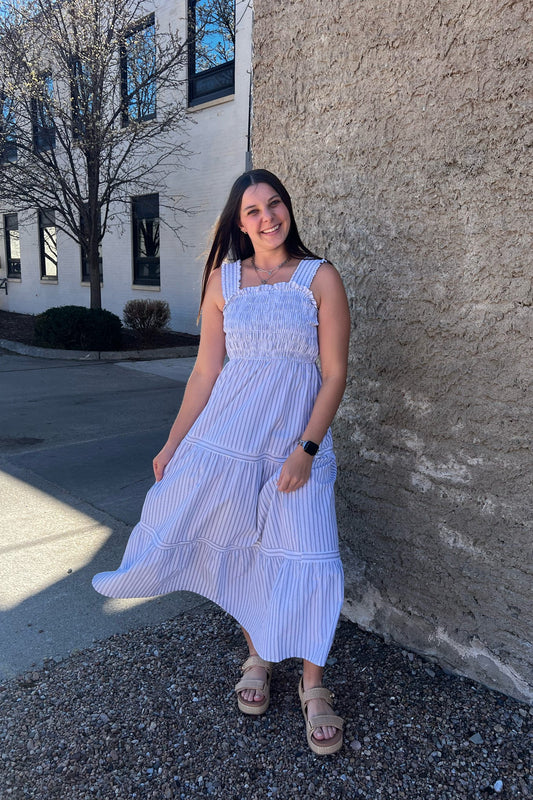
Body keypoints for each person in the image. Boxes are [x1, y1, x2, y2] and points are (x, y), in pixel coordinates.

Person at [92, 169, 350, 755]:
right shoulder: (222, 281)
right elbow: (206, 370)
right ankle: (256, 657)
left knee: (311, 553)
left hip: (296, 443)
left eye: (275, 204)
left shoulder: (319, 278)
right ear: (239, 222)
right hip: (230, 436)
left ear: (288, 209)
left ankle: (314, 687)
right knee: (240, 545)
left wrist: (307, 450)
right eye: (253, 210)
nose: (267, 217)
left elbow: (333, 374)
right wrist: (172, 442)